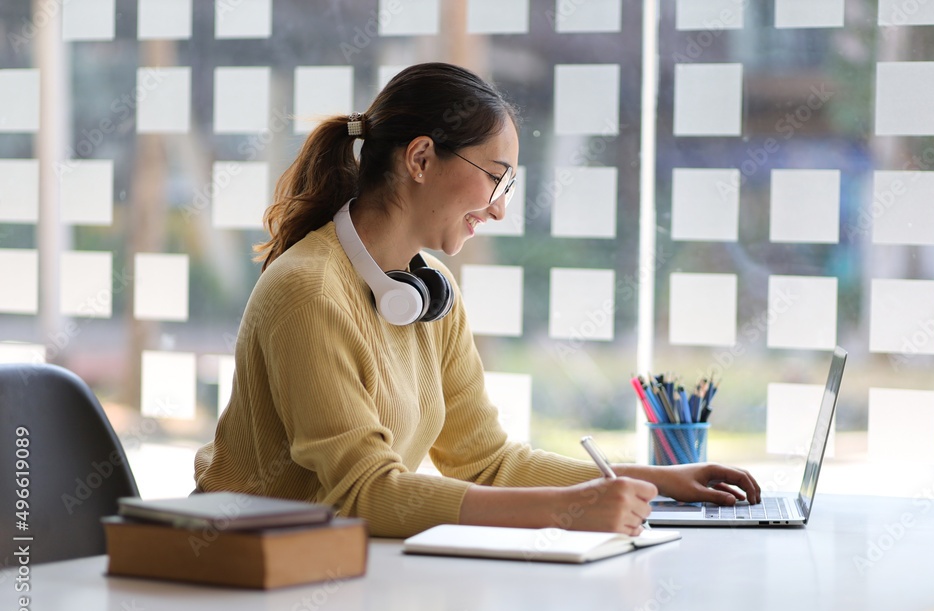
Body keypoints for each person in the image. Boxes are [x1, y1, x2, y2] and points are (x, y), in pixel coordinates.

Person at [194, 62, 760, 539]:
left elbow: (488, 462)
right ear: (419, 160)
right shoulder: (309, 291)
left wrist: (658, 480)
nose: (499, 209)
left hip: (332, 569)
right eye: (495, 178)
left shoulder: (428, 292)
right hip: (235, 572)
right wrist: (564, 512)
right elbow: (364, 493)